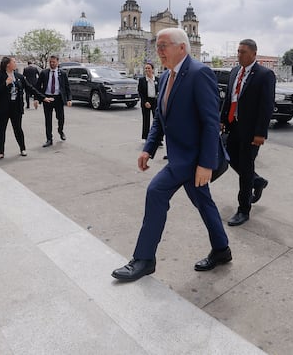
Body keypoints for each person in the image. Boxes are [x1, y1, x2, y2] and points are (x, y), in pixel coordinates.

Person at [112, 28, 230, 282]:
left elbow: (211, 123)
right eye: (158, 46)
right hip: (179, 157)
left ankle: (144, 259)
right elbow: (159, 120)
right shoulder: (166, 77)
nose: (159, 50)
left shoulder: (200, 74)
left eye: (164, 45)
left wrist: (206, 164)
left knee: (156, 192)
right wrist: (148, 149)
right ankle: (222, 249)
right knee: (204, 204)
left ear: (182, 48)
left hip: (193, 160)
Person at [219, 39, 275, 227]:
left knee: (245, 168)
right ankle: (257, 181)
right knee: (231, 159)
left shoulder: (265, 75)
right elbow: (229, 98)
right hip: (233, 126)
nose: (239, 54)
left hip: (251, 132)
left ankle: (244, 210)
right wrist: (221, 120)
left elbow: (266, 106)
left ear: (253, 53)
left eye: (243, 52)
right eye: (238, 51)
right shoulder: (235, 71)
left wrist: (261, 133)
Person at [0, 56, 48, 160]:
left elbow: (30, 88)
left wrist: (43, 98)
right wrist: (5, 83)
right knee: (1, 131)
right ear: (8, 64)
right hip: (1, 108)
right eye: (14, 62)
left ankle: (22, 148)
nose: (15, 63)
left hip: (15, 107)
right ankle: (0, 152)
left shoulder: (19, 76)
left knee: (18, 129)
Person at [36, 55, 72, 146]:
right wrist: (37, 98)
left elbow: (67, 87)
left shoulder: (62, 73)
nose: (52, 63)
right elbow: (37, 86)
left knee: (61, 118)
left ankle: (60, 130)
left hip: (58, 99)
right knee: (48, 119)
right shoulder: (44, 73)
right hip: (47, 98)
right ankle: (49, 139)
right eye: (50, 62)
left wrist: (69, 99)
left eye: (54, 62)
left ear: (57, 62)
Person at [137, 62, 159, 141]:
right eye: (146, 68)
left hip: (155, 101)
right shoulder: (142, 80)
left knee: (157, 121)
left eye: (149, 68)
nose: (147, 70)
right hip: (146, 101)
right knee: (146, 120)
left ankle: (157, 139)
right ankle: (146, 138)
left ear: (152, 69)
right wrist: (145, 102)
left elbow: (160, 90)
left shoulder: (157, 79)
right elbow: (140, 92)